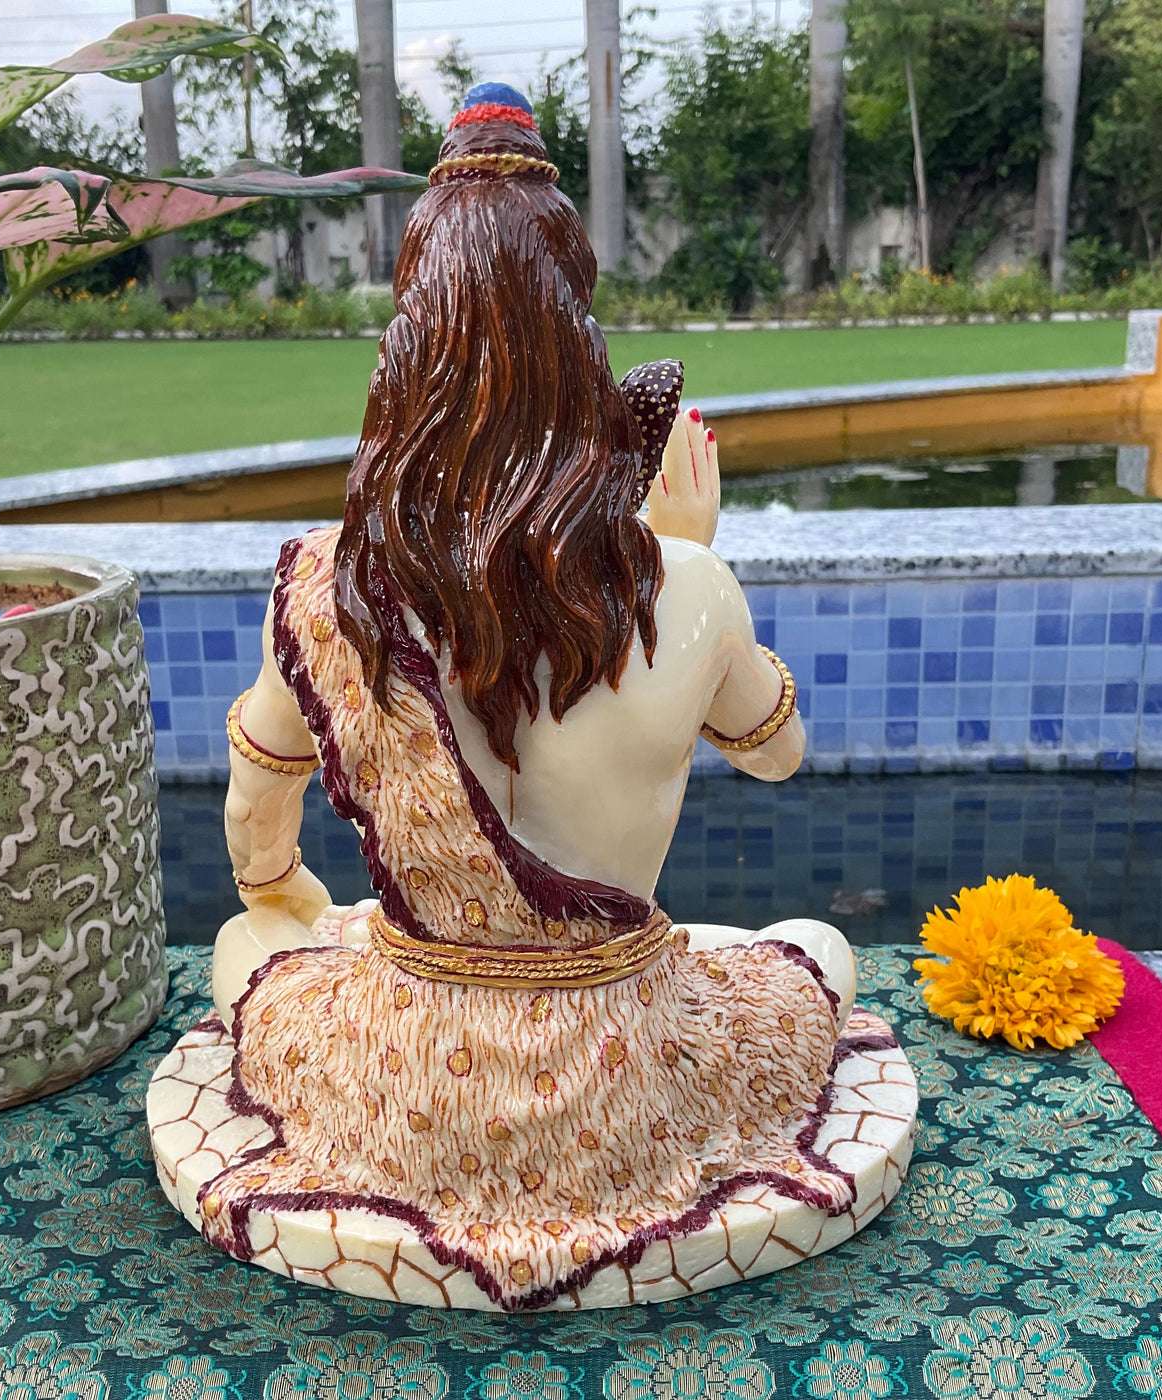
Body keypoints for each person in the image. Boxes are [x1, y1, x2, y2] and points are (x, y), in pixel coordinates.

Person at [202, 83, 857, 1310]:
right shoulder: (689, 587)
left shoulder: (331, 590)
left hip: (404, 1077)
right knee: (817, 950)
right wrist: (685, 557)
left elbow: (256, 796)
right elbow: (776, 753)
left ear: (407, 354)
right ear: (580, 344)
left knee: (247, 949)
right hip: (629, 1075)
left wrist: (280, 891)